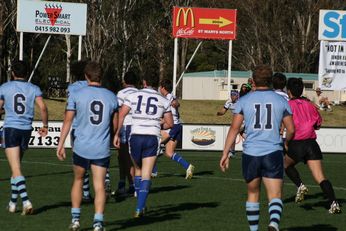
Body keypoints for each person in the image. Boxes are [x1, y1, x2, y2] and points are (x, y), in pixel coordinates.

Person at [219, 65, 295, 231]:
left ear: (253, 81)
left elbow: (234, 128)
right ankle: (274, 223)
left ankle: (254, 230)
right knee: (275, 195)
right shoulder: (281, 100)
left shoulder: (244, 100)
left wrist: (225, 153)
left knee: (253, 193)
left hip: (251, 153)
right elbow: (291, 129)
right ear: (271, 81)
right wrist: (287, 142)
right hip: (273, 151)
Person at [57, 61, 118, 231]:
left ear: (86, 76)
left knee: (77, 180)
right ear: (101, 76)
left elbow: (68, 120)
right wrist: (115, 136)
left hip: (81, 146)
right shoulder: (111, 96)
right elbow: (114, 125)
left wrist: (60, 144)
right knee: (99, 185)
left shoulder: (77, 94)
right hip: (101, 147)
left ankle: (75, 220)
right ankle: (98, 222)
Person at [113, 69, 173, 218]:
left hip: (135, 136)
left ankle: (140, 203)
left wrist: (116, 133)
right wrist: (157, 124)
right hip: (152, 137)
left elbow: (121, 114)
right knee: (147, 173)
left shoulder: (133, 96)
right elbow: (170, 123)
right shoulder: (163, 100)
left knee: (138, 170)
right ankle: (140, 207)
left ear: (144, 82)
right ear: (157, 84)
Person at [284, 78, 341, 214]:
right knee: (320, 177)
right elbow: (318, 125)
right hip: (311, 144)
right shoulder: (310, 104)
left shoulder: (287, 105)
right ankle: (334, 203)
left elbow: (287, 125)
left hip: (297, 143)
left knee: (285, 165)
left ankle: (300, 185)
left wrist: (286, 142)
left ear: (289, 91)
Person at [0, 60, 48, 215]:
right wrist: (45, 126)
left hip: (11, 129)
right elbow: (43, 107)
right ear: (27, 73)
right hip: (26, 130)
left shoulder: (5, 87)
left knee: (16, 168)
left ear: (13, 72)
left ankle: (26, 201)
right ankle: (13, 203)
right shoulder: (34, 88)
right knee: (16, 168)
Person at [157, 79, 195, 179]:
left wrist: (175, 103)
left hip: (172, 127)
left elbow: (176, 103)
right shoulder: (167, 97)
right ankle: (188, 166)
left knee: (154, 144)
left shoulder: (169, 97)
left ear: (163, 88)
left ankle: (153, 171)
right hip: (176, 126)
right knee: (169, 153)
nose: (159, 89)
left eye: (160, 87)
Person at [112, 71, 139, 198]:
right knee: (126, 157)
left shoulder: (121, 93)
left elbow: (118, 112)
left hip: (125, 127)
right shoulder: (139, 92)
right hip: (138, 128)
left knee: (125, 157)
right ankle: (123, 184)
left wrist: (115, 131)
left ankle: (132, 185)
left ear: (124, 81)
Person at [217, 90, 239, 157]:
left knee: (232, 134)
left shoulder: (241, 102)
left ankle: (231, 152)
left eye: (234, 95)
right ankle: (232, 152)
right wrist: (220, 113)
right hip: (237, 121)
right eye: (231, 95)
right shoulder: (228, 102)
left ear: (237, 96)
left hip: (243, 121)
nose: (232, 96)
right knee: (240, 136)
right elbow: (223, 111)